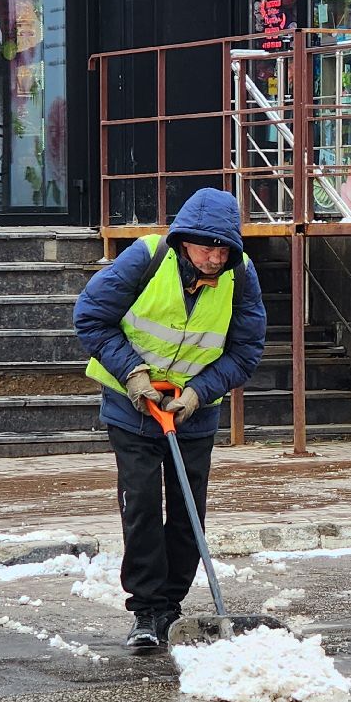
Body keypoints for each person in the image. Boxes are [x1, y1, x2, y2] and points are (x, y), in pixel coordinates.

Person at [73, 188, 265, 652]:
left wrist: (199, 392)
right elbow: (91, 316)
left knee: (187, 511)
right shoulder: (147, 256)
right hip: (132, 406)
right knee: (140, 504)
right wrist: (134, 375)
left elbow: (246, 349)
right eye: (206, 247)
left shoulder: (240, 274)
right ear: (183, 240)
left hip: (193, 413)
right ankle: (145, 609)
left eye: (223, 248)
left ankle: (171, 609)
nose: (214, 257)